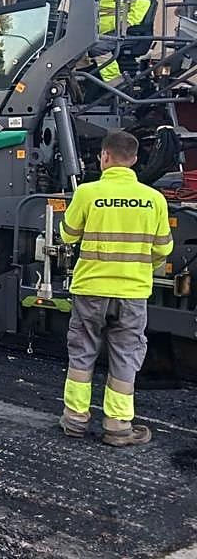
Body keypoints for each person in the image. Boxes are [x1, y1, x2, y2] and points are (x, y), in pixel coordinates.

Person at [57, 129, 171, 447]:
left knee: (83, 351)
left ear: (105, 157)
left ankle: (75, 420)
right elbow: (163, 249)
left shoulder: (87, 193)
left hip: (91, 288)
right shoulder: (154, 199)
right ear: (133, 160)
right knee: (125, 355)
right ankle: (118, 426)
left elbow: (67, 235)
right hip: (133, 292)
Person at [90, 0, 149, 84]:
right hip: (99, 33)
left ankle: (115, 82)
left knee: (97, 47)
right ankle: (82, 82)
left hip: (124, 32)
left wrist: (129, 21)